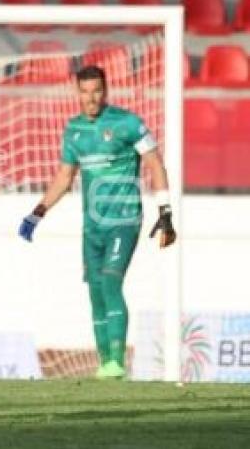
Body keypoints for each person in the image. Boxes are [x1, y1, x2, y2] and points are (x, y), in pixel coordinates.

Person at [18, 65, 177, 379]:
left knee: (110, 281)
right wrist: (38, 212)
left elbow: (154, 163)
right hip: (91, 226)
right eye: (85, 91)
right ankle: (105, 363)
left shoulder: (127, 123)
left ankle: (117, 361)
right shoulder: (74, 130)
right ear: (77, 92)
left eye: (97, 91)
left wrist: (165, 212)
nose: (91, 98)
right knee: (94, 290)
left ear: (106, 91)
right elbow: (65, 176)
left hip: (125, 220)